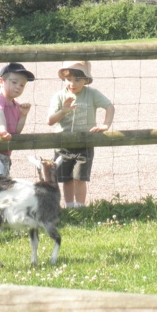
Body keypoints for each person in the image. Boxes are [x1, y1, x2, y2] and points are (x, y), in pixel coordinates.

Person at [47, 61, 114, 208]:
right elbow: (50, 121)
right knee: (67, 179)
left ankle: (81, 207)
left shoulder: (91, 94)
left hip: (85, 143)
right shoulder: (59, 96)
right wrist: (63, 111)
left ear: (86, 80)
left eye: (77, 80)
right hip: (62, 144)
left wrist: (105, 125)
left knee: (79, 178)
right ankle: (70, 207)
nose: (72, 83)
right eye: (69, 79)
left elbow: (109, 106)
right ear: (64, 79)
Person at [0, 62, 35, 178]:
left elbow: (16, 131)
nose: (18, 86)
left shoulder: (15, 105)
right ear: (1, 81)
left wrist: (23, 116)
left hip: (5, 150)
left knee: (3, 177)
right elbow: (0, 115)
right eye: (14, 82)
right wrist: (3, 130)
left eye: (22, 85)